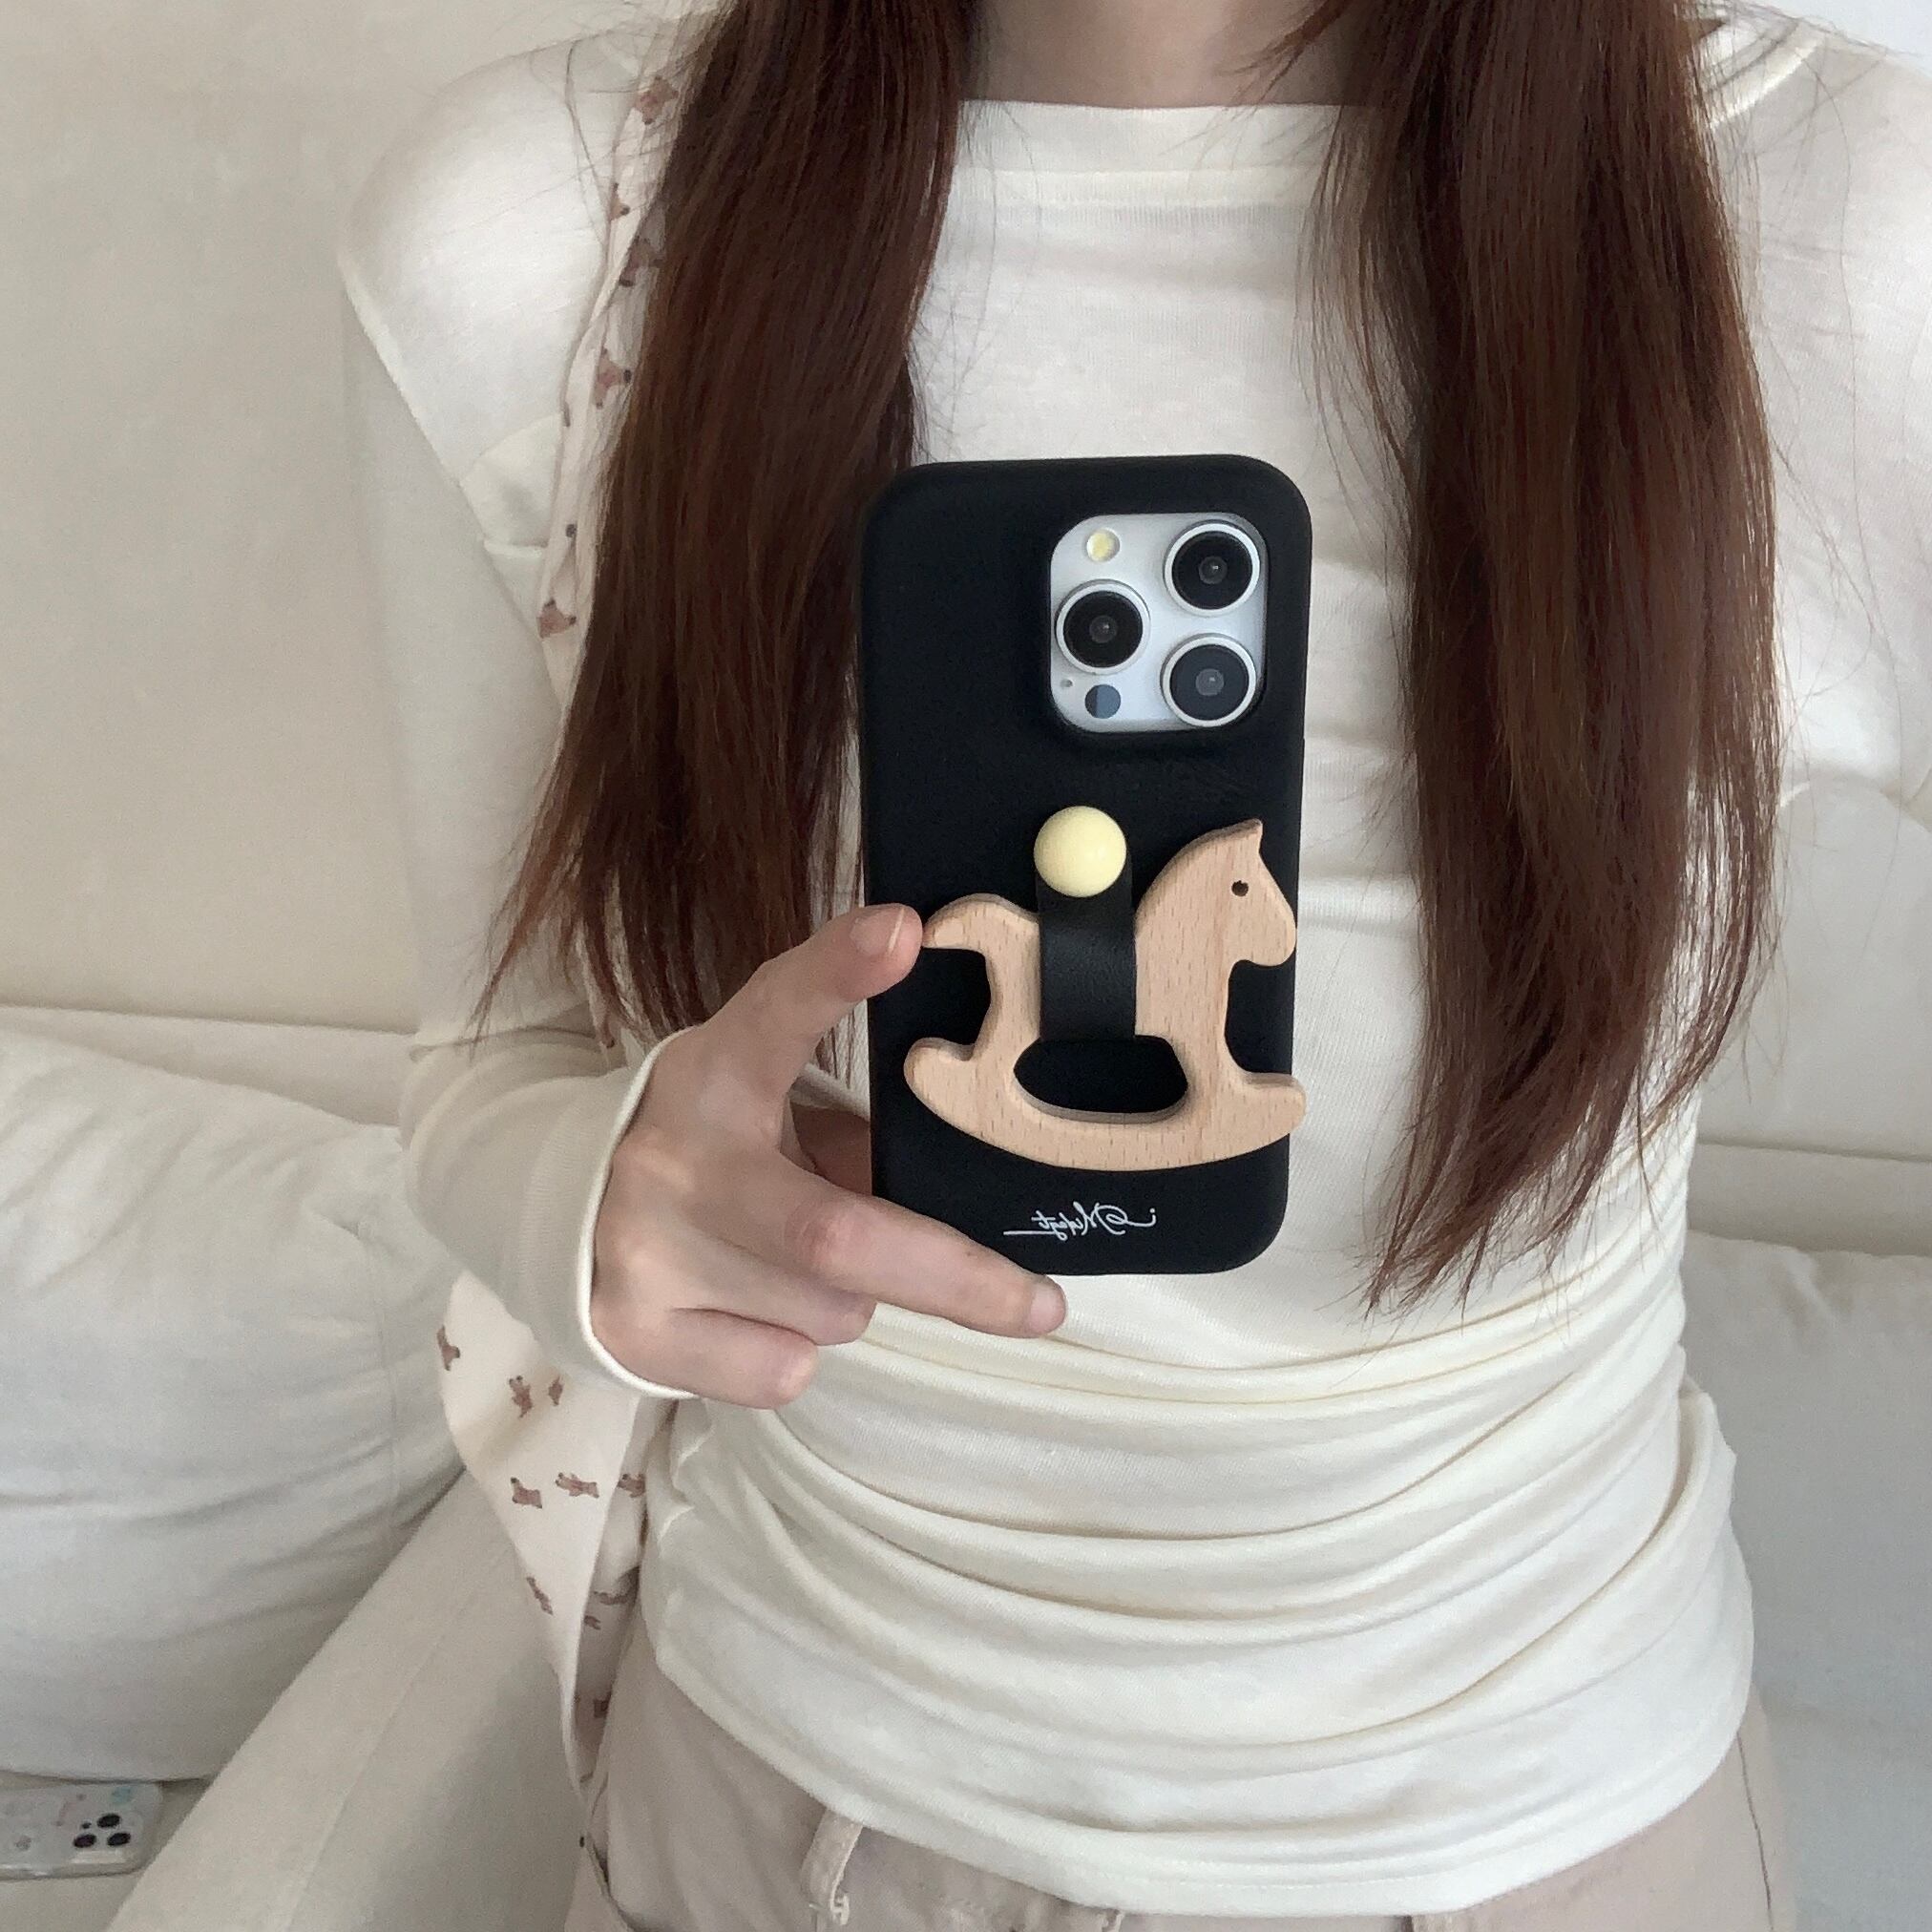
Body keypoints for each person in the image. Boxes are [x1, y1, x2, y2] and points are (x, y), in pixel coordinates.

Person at [336, 1, 1928, 1925]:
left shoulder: (1843, 225)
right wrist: (602, 1205)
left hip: (1546, 1834)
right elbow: (488, 1059)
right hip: (779, 1811)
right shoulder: (537, 232)